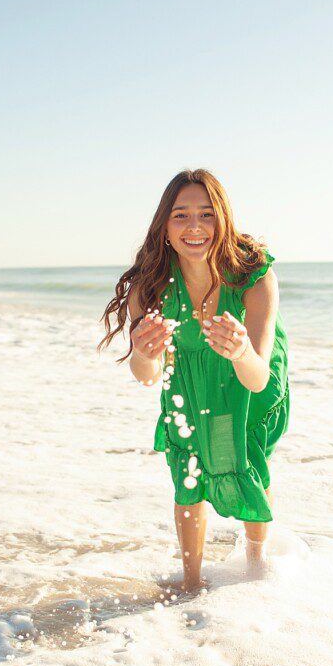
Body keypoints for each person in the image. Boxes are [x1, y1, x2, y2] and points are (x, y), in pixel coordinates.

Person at [98, 168, 290, 592]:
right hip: (188, 378)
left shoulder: (254, 278)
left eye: (206, 214)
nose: (195, 227)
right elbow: (147, 376)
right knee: (189, 465)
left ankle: (257, 567)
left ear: (222, 219)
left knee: (246, 461)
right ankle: (189, 582)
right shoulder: (150, 287)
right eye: (181, 216)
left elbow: (259, 379)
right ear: (164, 226)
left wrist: (240, 350)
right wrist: (146, 353)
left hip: (247, 374)